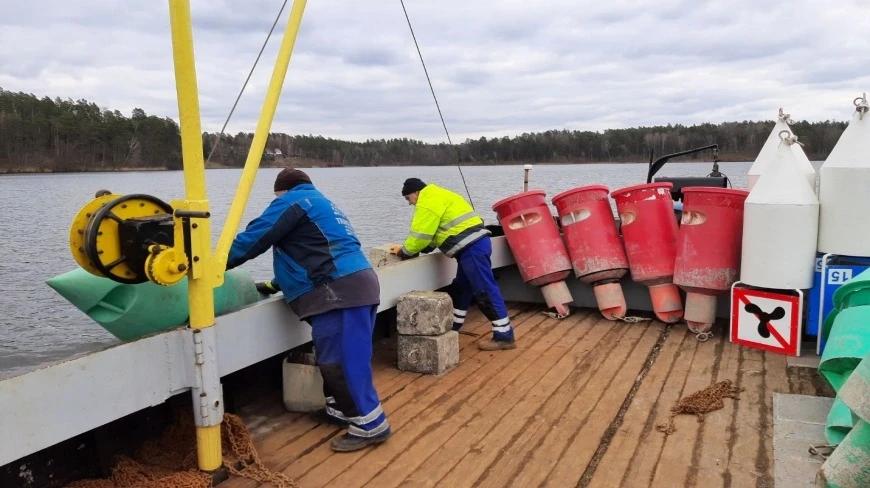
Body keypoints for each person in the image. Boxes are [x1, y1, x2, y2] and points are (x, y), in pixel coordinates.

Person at [226, 168, 390, 452]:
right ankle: (339, 410)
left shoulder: (293, 202)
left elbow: (253, 239)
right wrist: (274, 284)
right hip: (356, 285)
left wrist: (210, 264)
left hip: (337, 290)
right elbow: (311, 252)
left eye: (276, 196)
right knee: (341, 354)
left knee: (341, 362)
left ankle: (371, 426)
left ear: (283, 190)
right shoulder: (325, 205)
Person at [391, 178, 517, 351]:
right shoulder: (440, 194)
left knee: (484, 290)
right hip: (476, 245)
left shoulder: (426, 202)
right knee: (462, 287)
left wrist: (404, 251)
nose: (409, 203)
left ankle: (504, 336)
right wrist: (425, 247)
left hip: (471, 249)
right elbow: (439, 231)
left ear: (415, 193)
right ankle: (453, 326)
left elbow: (420, 235)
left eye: (408, 199)